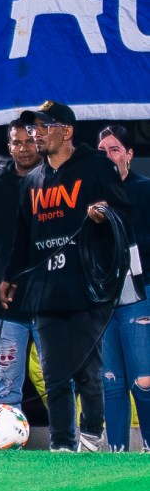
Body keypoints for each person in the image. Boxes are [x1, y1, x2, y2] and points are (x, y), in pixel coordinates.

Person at [0, 100, 131, 452]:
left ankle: (91, 429)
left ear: (67, 131)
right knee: (54, 371)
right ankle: (61, 443)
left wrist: (105, 213)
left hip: (88, 284)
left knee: (86, 368)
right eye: (34, 128)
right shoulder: (32, 181)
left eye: (44, 127)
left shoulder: (96, 166)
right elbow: (22, 238)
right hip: (46, 287)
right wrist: (9, 276)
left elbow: (124, 212)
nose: (36, 134)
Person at [0, 119, 43, 406]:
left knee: (60, 380)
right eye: (17, 143)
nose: (24, 149)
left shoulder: (57, 187)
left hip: (50, 301)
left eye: (30, 141)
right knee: (6, 382)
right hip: (7, 304)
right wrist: (3, 275)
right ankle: (6, 434)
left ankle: (66, 434)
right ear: (9, 147)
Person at [97, 124, 150, 451]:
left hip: (139, 295)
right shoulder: (88, 195)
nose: (108, 156)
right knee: (112, 382)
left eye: (114, 149)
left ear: (129, 154)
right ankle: (116, 453)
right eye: (102, 152)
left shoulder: (144, 190)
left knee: (143, 381)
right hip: (102, 299)